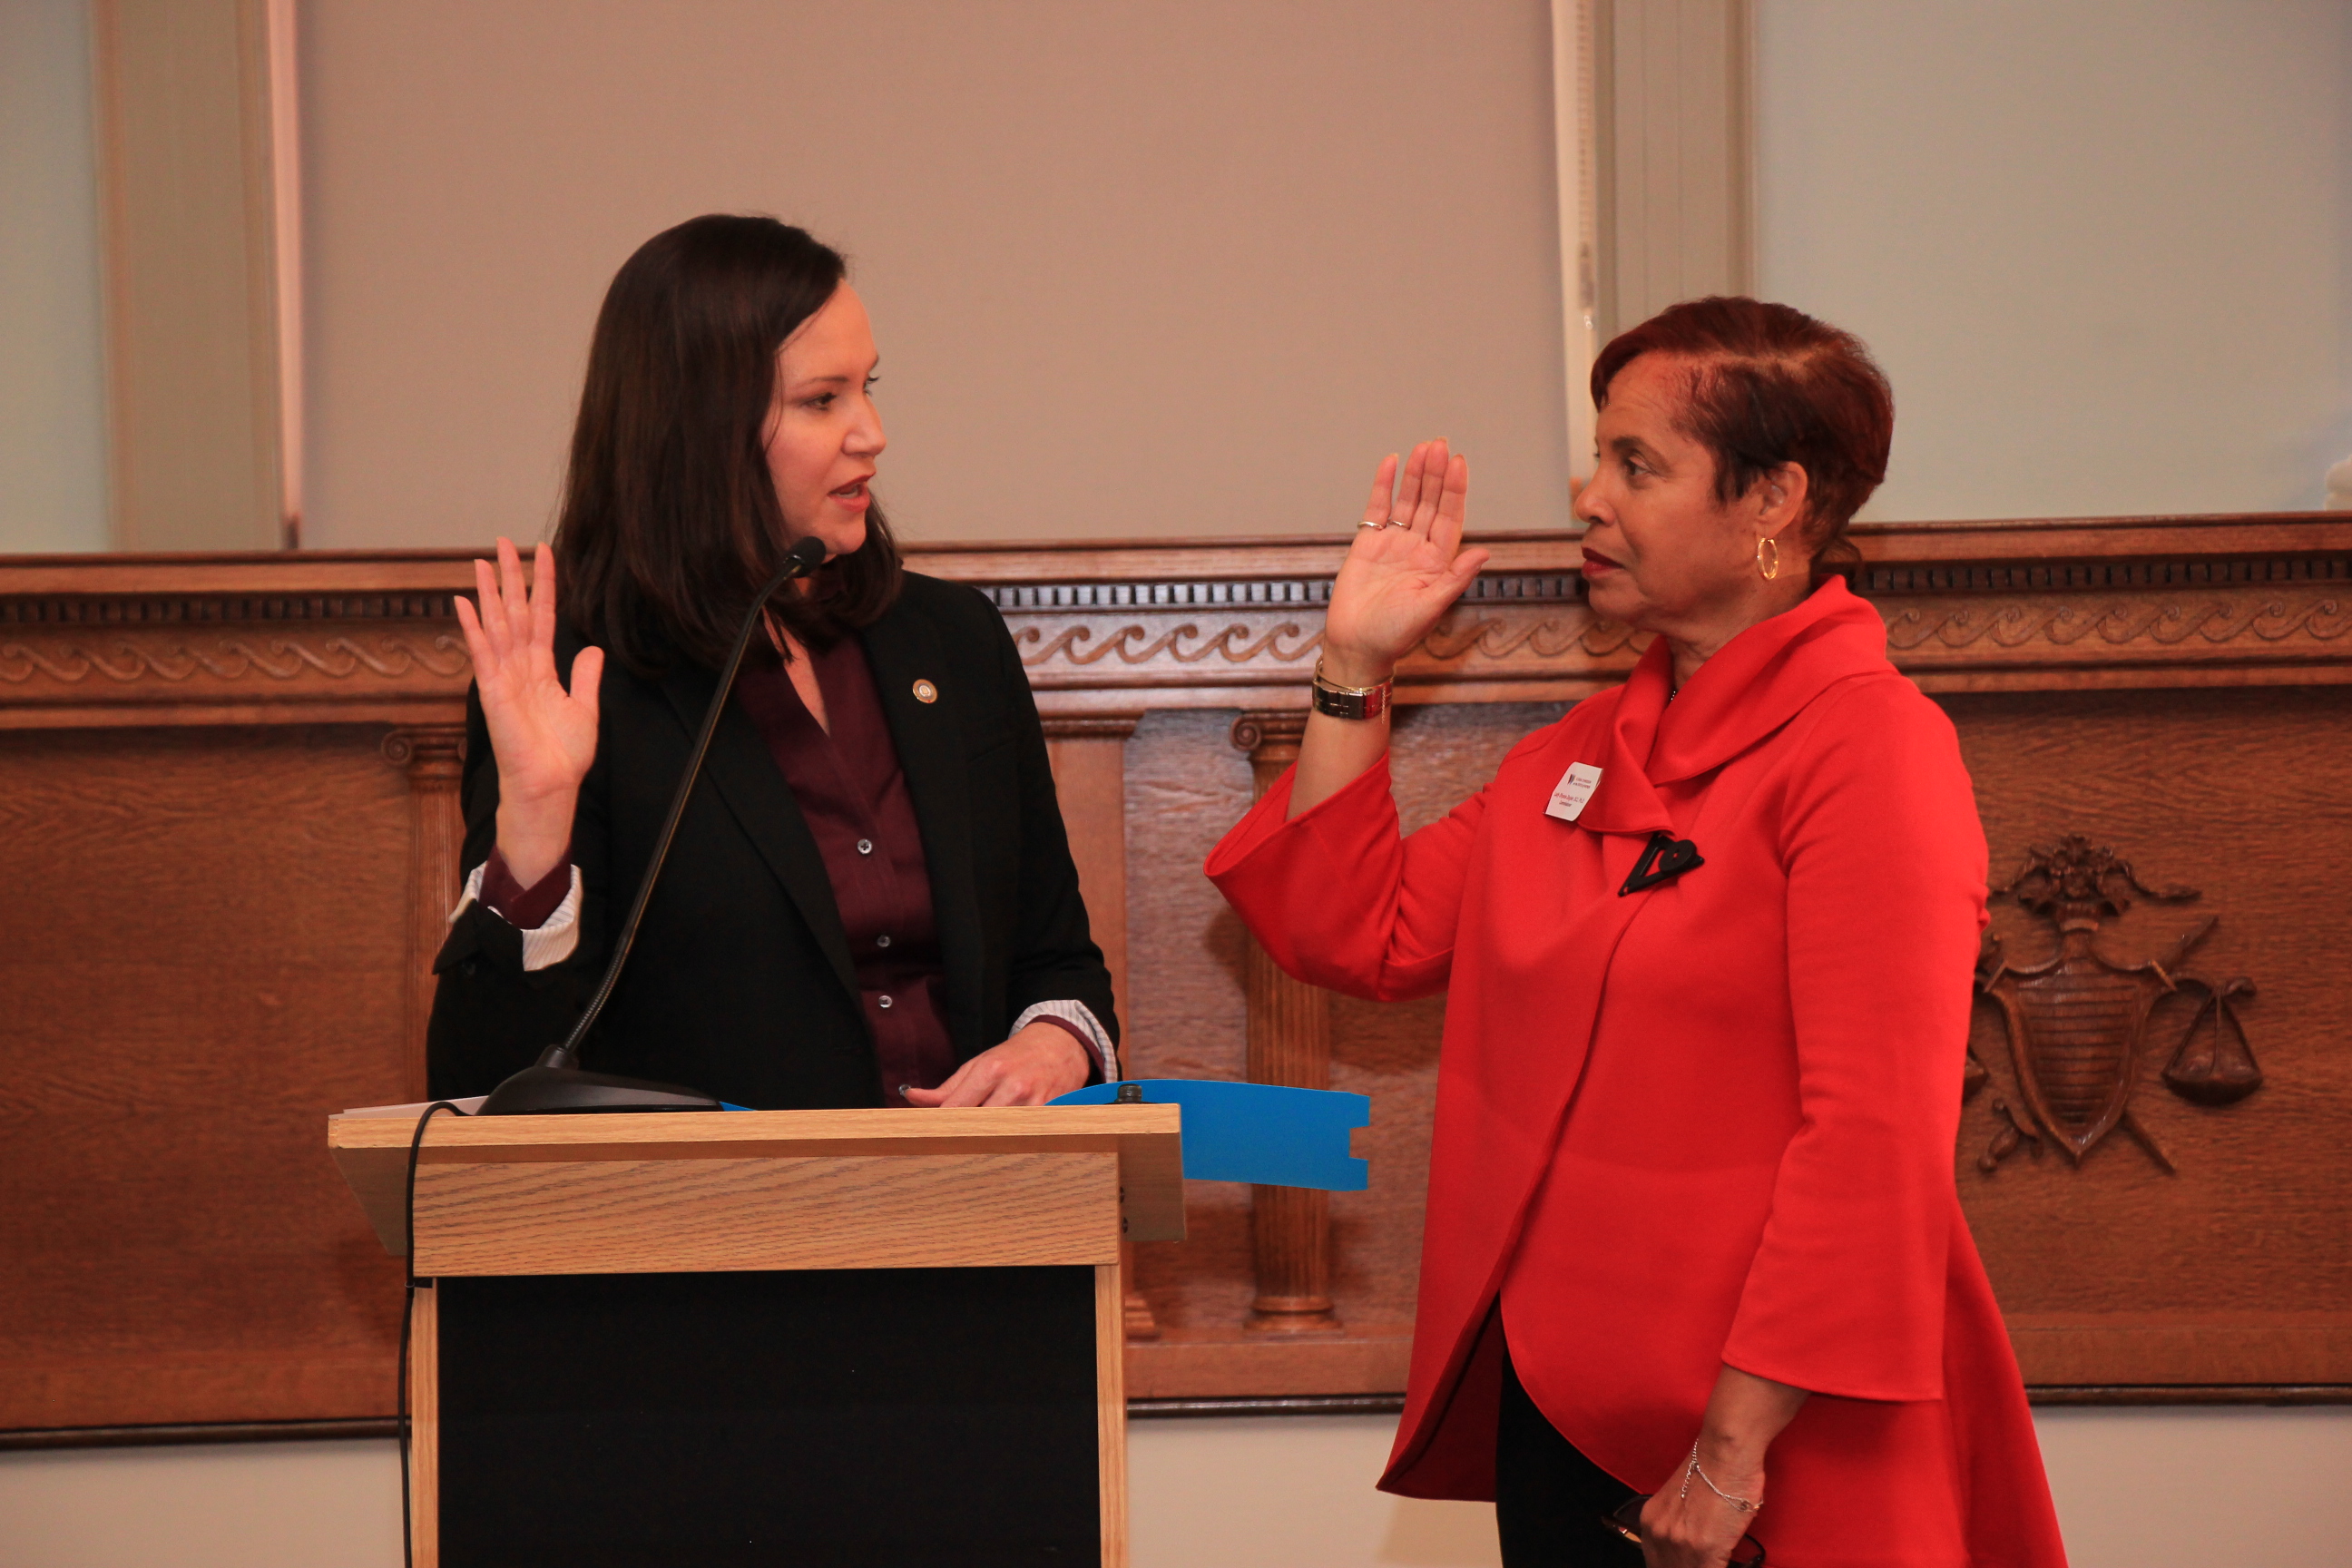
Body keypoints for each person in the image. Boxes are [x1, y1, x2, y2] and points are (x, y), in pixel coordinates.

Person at [1206, 299, 2067, 1567]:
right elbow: (1351, 932)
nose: (1589, 499)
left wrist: (1732, 1453)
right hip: (1561, 1413)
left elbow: (1874, 1138)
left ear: (1773, 500)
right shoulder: (1580, 754)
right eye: (1599, 458)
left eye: (1637, 465)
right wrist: (1354, 664)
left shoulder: (1872, 749)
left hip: (1776, 1435)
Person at [427, 215, 1116, 1111]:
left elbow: (1057, 961)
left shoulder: (953, 640)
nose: (872, 432)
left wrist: (1056, 1046)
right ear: (703, 429)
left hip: (981, 1221)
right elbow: (484, 1085)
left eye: (868, 389)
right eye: (823, 400)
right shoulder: (578, 680)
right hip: (723, 1234)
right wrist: (532, 842)